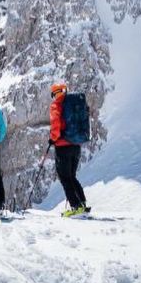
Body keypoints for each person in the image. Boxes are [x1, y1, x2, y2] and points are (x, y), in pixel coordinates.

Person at [49, 82, 90, 216]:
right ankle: (82, 204)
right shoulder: (73, 103)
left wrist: (53, 138)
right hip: (76, 145)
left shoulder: (56, 105)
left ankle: (75, 206)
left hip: (62, 147)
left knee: (65, 178)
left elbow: (56, 124)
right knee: (72, 176)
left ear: (55, 93)